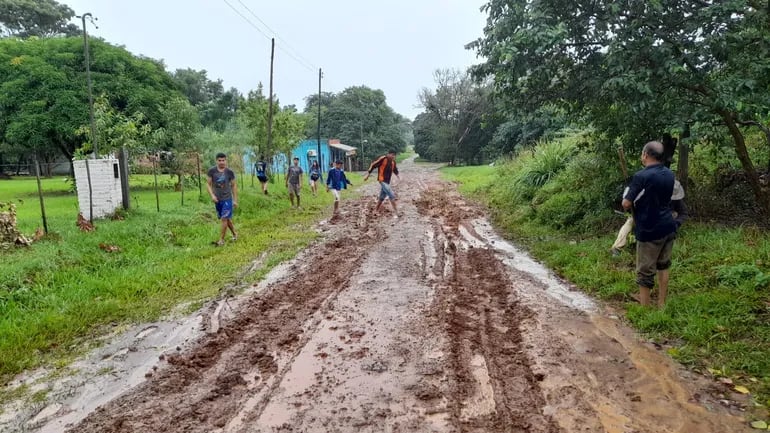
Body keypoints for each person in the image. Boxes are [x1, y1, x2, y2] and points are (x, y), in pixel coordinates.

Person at [622, 141, 678, 307]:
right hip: (668, 226)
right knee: (663, 265)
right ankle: (661, 303)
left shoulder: (641, 176)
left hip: (649, 229)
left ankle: (644, 308)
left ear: (645, 155)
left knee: (645, 271)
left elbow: (626, 203)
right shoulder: (669, 174)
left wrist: (628, 197)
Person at [611, 180, 688, 256]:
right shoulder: (651, 194)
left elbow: (683, 213)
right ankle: (617, 247)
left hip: (666, 219)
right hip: (646, 216)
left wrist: (676, 223)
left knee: (673, 215)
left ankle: (665, 242)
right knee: (630, 221)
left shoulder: (677, 201)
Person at [206, 153, 238, 246]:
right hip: (217, 199)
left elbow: (234, 185)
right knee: (226, 219)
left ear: (226, 161)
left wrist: (235, 200)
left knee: (224, 218)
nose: (221, 162)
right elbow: (208, 184)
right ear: (216, 161)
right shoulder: (212, 171)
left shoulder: (229, 172)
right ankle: (235, 234)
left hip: (227, 198)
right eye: (219, 160)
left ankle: (221, 240)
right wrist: (212, 195)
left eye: (223, 160)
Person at [363, 150, 400, 218]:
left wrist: (398, 176)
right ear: (388, 154)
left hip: (387, 182)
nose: (393, 156)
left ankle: (375, 210)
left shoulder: (393, 162)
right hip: (382, 180)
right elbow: (374, 165)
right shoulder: (383, 159)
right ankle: (396, 212)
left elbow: (395, 170)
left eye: (394, 155)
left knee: (382, 197)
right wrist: (368, 175)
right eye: (392, 155)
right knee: (391, 195)